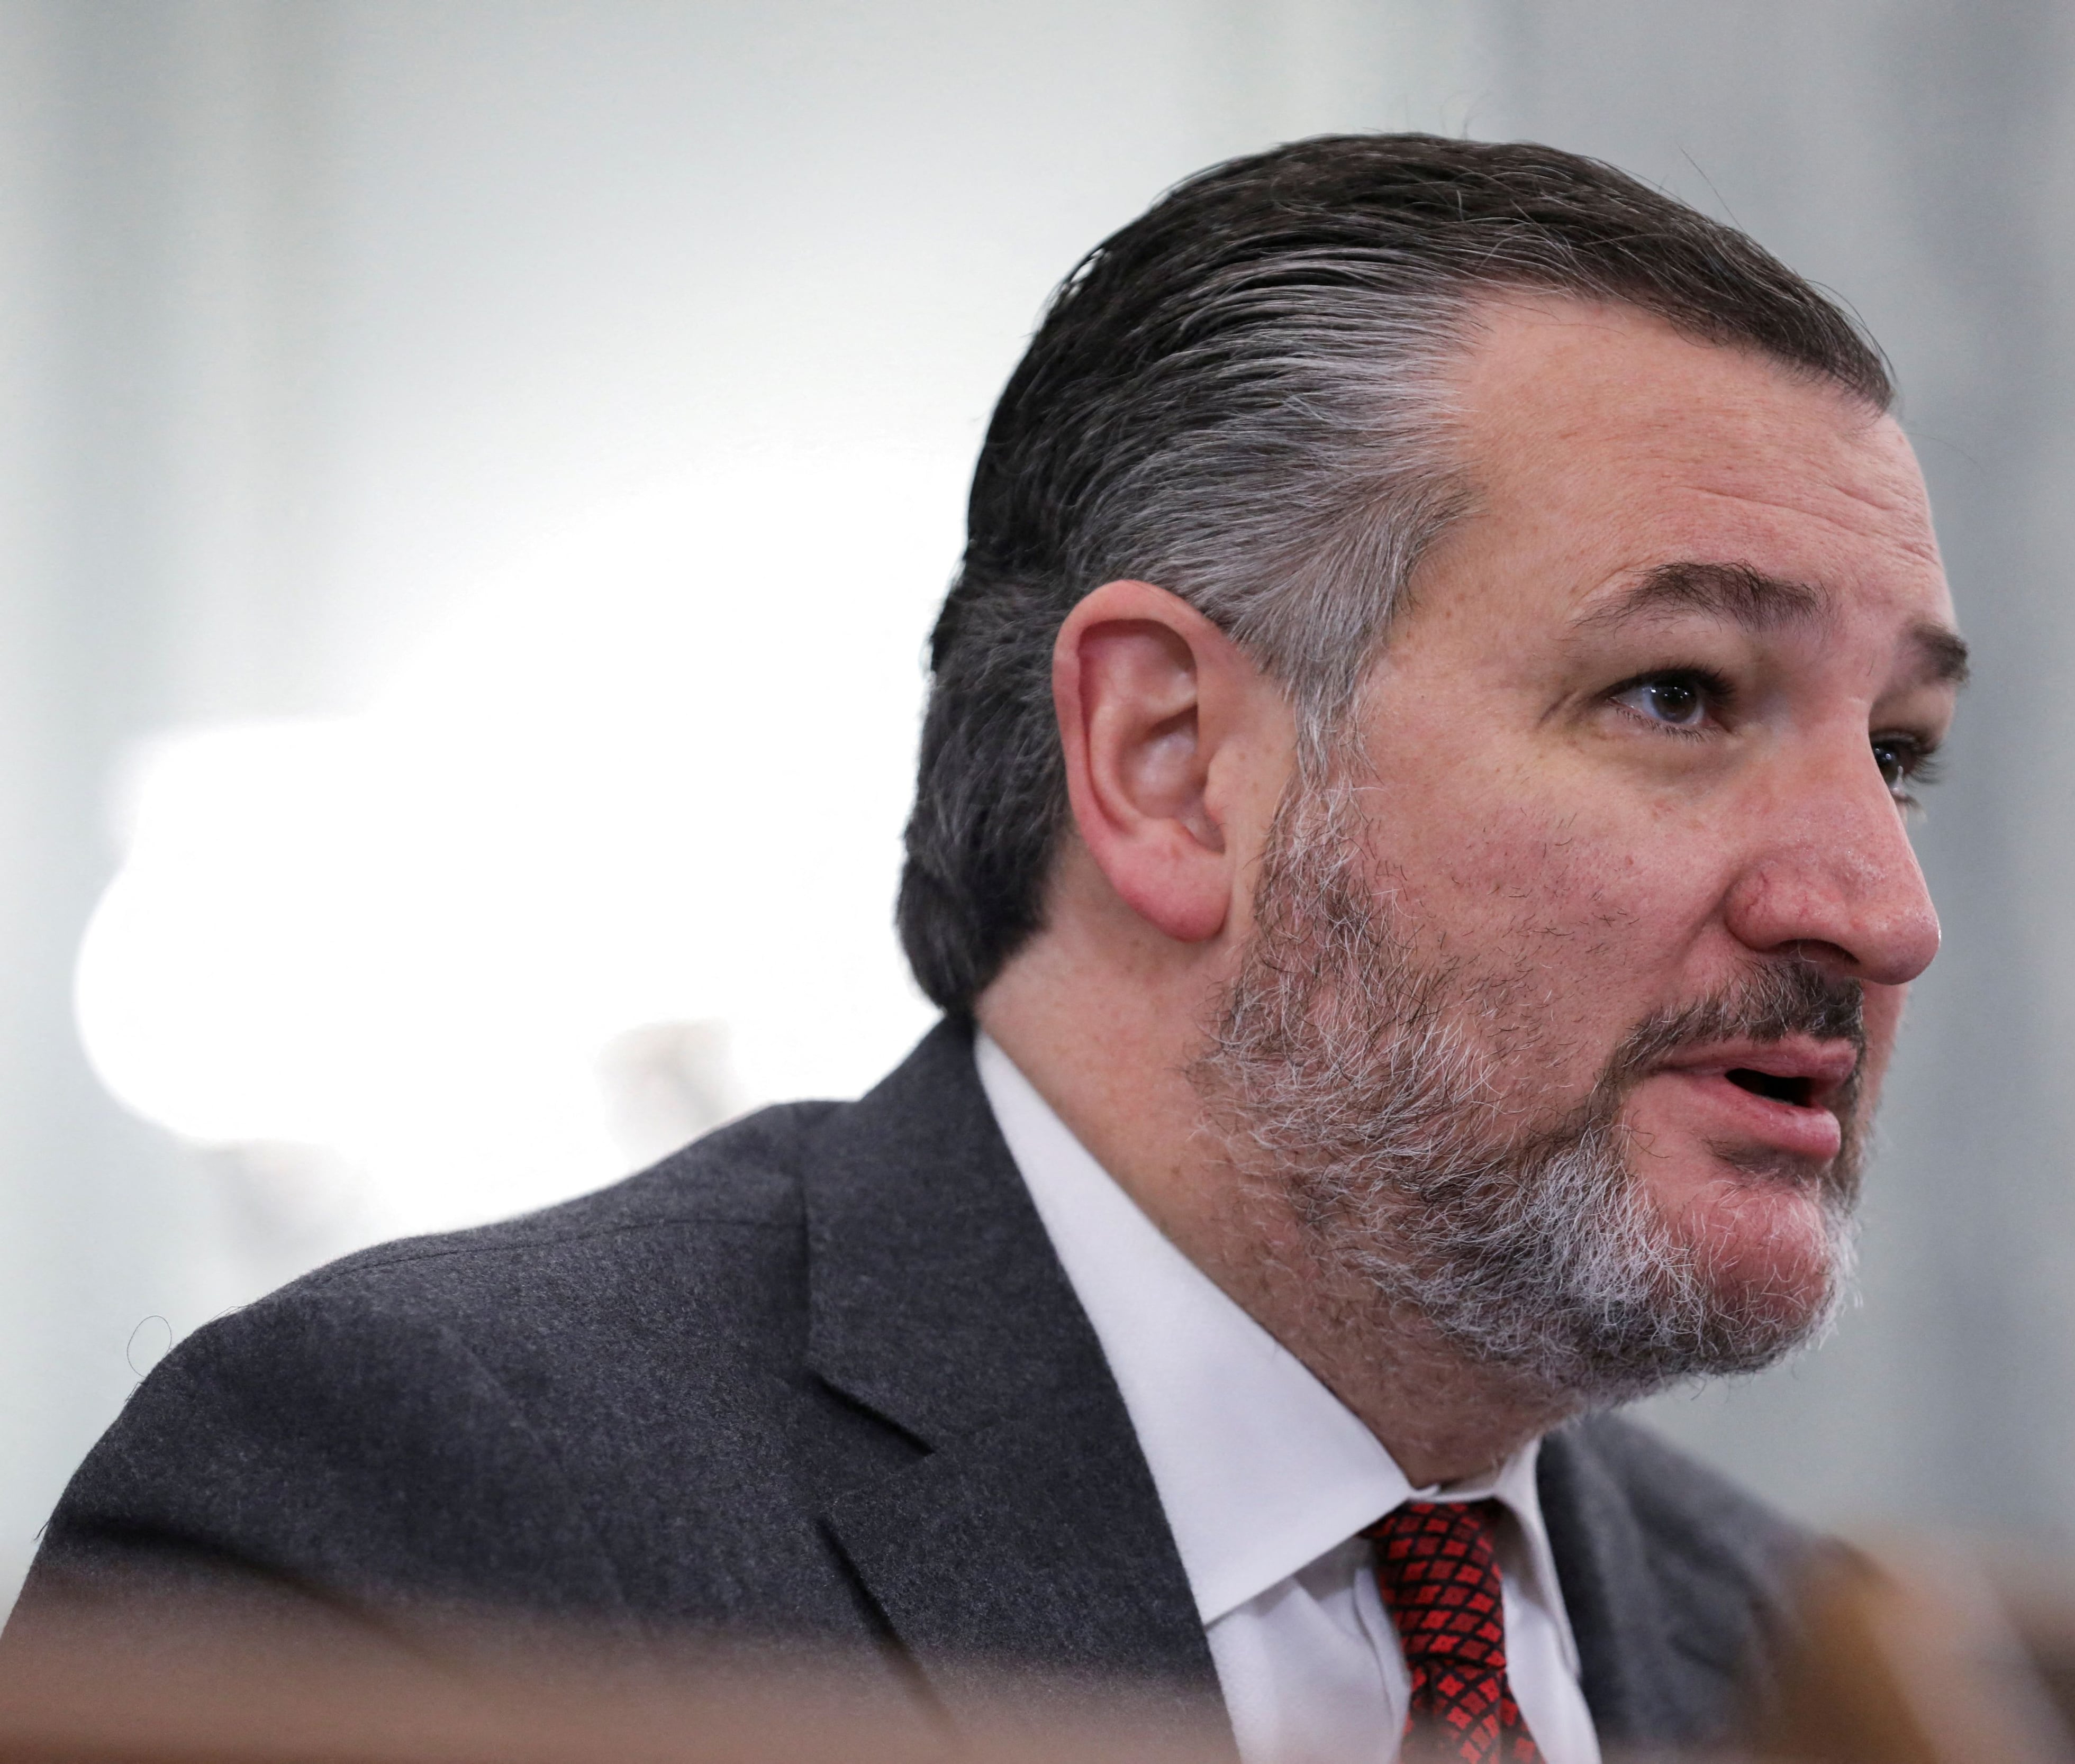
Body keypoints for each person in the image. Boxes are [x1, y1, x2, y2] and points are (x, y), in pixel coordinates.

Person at [9, 134, 1965, 1764]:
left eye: (1900, 753)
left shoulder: (1803, 1667)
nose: (1883, 912)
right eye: (1683, 696)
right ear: (1172, 764)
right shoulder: (433, 1512)